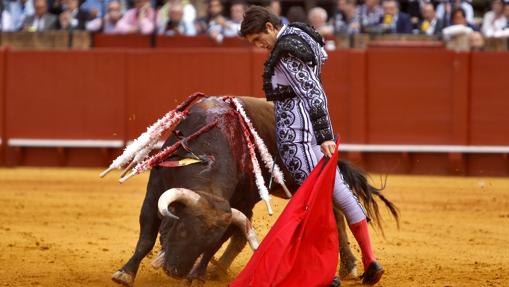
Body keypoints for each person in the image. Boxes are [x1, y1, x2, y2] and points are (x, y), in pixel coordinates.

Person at [239, 6, 384, 286]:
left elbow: (313, 93)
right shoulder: (299, 35)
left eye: (259, 40)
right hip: (310, 136)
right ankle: (370, 260)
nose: (259, 47)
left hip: (297, 137)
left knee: (311, 205)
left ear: (270, 27)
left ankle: (325, 273)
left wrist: (325, 134)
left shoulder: (286, 51)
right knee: (342, 195)